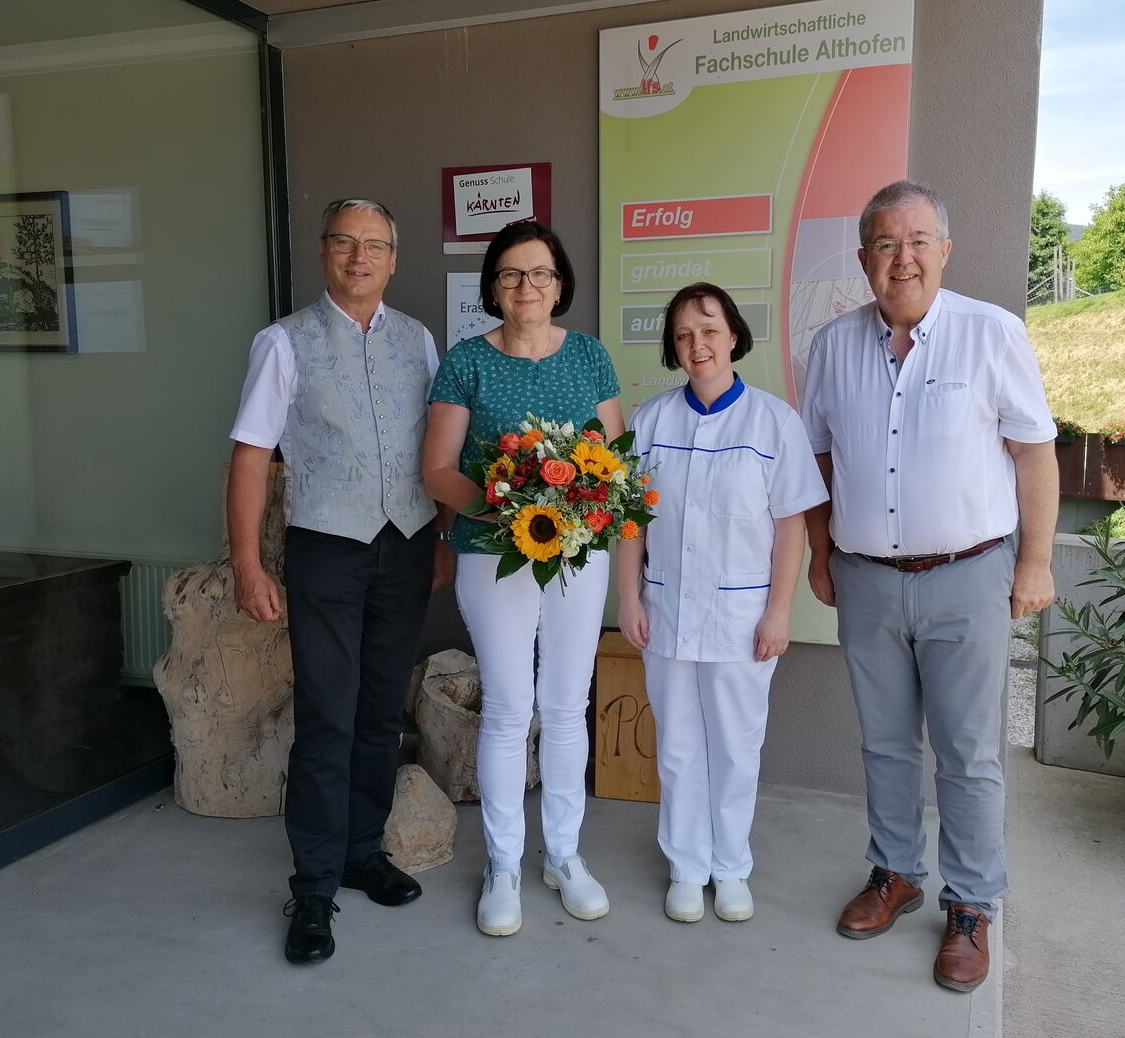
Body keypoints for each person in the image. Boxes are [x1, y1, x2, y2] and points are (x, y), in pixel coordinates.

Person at [800, 180, 1058, 993]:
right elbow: (819, 461)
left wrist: (1036, 562)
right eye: (884, 244)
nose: (901, 258)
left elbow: (1035, 453)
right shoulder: (832, 345)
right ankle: (895, 874)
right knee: (882, 742)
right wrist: (819, 556)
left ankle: (973, 904)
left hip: (968, 578)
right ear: (864, 259)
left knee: (969, 754)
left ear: (944, 249)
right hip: (868, 579)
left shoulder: (993, 334)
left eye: (916, 241)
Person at [228, 198, 452, 965]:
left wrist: (444, 537)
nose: (360, 258)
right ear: (325, 254)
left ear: (394, 259)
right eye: (345, 243)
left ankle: (363, 850)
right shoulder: (284, 343)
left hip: (409, 544)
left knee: (381, 710)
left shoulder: (419, 340)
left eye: (376, 246)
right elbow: (252, 456)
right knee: (327, 714)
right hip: (328, 547)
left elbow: (438, 449)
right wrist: (248, 564)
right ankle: (315, 886)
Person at [422, 220, 625, 937]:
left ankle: (564, 856)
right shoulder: (466, 362)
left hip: (577, 551)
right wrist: (509, 508)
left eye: (539, 273)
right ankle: (504, 864)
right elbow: (438, 469)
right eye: (510, 274)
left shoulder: (591, 356)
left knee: (567, 706)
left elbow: (613, 462)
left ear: (560, 283)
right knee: (510, 708)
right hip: (492, 549)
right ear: (493, 289)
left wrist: (570, 510)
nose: (526, 286)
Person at [616, 283, 827, 924]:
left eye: (708, 330)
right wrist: (628, 599)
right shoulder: (651, 421)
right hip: (668, 612)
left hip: (742, 619)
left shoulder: (773, 421)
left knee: (736, 747)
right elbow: (632, 522)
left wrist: (780, 611)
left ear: (733, 335)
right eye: (683, 335)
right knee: (678, 746)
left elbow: (791, 524)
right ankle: (686, 866)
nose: (697, 345)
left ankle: (731, 866)